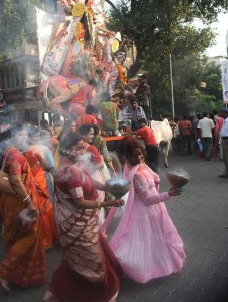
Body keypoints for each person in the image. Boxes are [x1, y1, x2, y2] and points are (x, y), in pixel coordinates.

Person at [43, 132, 124, 302]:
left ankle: (54, 293)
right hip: (74, 224)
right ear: (66, 149)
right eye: (78, 148)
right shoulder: (69, 172)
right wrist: (106, 204)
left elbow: (88, 179)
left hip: (81, 221)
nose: (82, 151)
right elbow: (79, 202)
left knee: (74, 259)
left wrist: (106, 187)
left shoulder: (76, 164)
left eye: (83, 147)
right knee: (92, 261)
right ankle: (102, 294)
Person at [102, 136, 186, 283]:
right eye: (135, 155)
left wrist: (165, 183)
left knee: (158, 237)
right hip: (146, 211)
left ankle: (164, 264)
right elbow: (147, 200)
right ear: (127, 157)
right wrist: (169, 194)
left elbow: (154, 177)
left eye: (141, 154)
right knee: (152, 238)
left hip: (154, 208)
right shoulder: (137, 175)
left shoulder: (141, 165)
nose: (140, 157)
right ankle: (132, 266)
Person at [0, 127, 45, 292]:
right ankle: (4, 270)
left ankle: (18, 274)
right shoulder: (15, 154)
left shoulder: (7, 151)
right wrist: (29, 202)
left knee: (16, 235)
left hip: (10, 201)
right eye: (22, 134)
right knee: (31, 233)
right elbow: (16, 181)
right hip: (19, 201)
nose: (25, 137)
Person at [24, 128, 57, 250]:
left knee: (42, 210)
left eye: (38, 136)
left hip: (32, 180)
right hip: (40, 180)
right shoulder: (38, 150)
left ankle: (42, 240)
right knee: (45, 210)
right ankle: (45, 242)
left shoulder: (26, 150)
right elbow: (48, 166)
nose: (37, 139)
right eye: (35, 137)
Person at [218, 109, 228, 178]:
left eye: (221, 112)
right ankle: (226, 172)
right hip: (224, 140)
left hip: (227, 140)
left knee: (227, 157)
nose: (220, 114)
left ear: (226, 113)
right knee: (225, 158)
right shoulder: (225, 120)